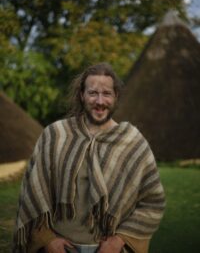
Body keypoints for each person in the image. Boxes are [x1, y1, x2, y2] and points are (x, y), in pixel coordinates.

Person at [13, 63, 165, 253]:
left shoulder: (132, 143)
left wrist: (119, 241)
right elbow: (31, 192)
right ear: (81, 95)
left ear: (116, 96)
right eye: (93, 93)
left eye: (107, 93)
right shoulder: (55, 135)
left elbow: (153, 202)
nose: (100, 101)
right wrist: (47, 239)